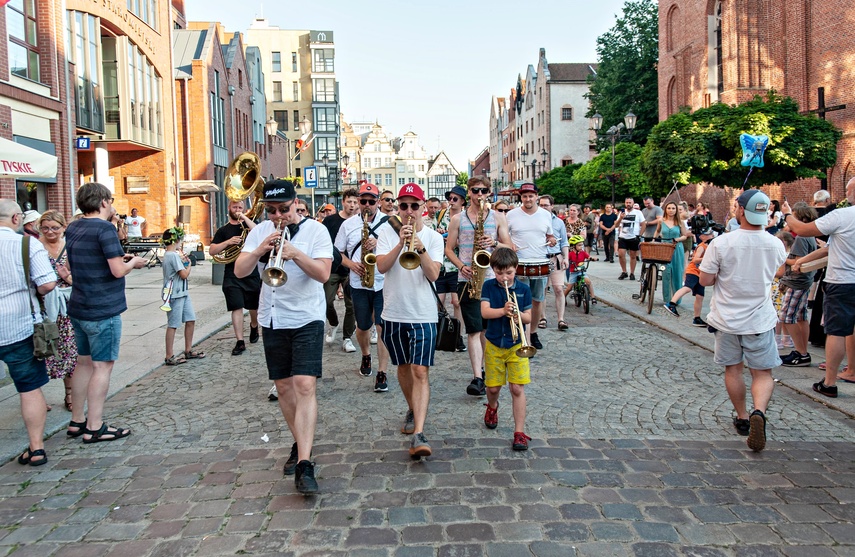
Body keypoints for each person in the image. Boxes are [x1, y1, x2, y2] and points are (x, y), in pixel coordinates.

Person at [235, 178, 332, 494]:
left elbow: (323, 274)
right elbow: (239, 270)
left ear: (295, 204)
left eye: (284, 209)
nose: (278, 216)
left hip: (307, 316)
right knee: (283, 386)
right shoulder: (260, 231)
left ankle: (305, 463)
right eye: (272, 210)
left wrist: (295, 253)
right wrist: (261, 249)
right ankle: (300, 441)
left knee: (304, 383)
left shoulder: (316, 231)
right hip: (273, 317)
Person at [699, 189, 787, 452]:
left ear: (740, 211)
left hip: (727, 319)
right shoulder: (775, 243)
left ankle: (742, 417)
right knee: (762, 372)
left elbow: (704, 280)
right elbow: (779, 272)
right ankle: (759, 411)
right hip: (759, 319)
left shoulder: (722, 243)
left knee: (733, 369)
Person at [65, 183, 147, 443]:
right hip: (102, 308)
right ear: (101, 202)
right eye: (110, 201)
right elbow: (117, 271)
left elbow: (74, 263)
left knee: (83, 363)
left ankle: (77, 421)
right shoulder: (104, 228)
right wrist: (133, 262)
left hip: (79, 304)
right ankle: (95, 426)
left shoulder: (74, 226)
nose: (112, 205)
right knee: (102, 366)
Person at [375, 183, 443, 457]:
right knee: (402, 367)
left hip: (423, 314)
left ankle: (419, 433)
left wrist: (420, 246)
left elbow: (434, 275)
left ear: (423, 208)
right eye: (403, 206)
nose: (409, 211)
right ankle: (413, 409)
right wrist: (401, 244)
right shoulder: (385, 233)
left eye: (414, 206)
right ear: (397, 208)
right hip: (394, 312)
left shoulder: (434, 237)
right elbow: (380, 266)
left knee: (420, 371)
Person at [783, 180, 855, 397]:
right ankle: (851, 370)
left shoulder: (843, 215)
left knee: (837, 332)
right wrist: (803, 260)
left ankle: (829, 382)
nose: (846, 191)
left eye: (850, 188)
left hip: (842, 281)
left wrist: (787, 214)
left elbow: (802, 230)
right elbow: (829, 249)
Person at [0, 200, 57, 466]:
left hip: (16, 325)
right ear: (15, 218)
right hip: (19, 325)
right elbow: (46, 284)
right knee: (29, 388)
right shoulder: (26, 244)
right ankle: (36, 448)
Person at [446, 177, 512, 395]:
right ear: (469, 192)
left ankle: (488, 369)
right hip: (468, 279)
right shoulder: (457, 219)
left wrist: (493, 243)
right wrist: (460, 266)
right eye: (476, 190)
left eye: (484, 190)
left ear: (489, 192)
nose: (480, 194)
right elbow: (448, 249)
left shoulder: (498, 217)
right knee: (474, 329)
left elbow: (510, 247)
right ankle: (477, 376)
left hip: (493, 279)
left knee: (488, 328)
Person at [335, 183, 392, 391]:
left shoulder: (389, 224)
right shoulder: (348, 225)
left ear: (378, 202)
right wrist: (351, 264)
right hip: (359, 283)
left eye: (371, 201)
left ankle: (382, 372)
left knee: (382, 327)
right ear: (359, 201)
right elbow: (337, 253)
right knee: (363, 327)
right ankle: (366, 355)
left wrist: (378, 243)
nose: (367, 205)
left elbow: (398, 248)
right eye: (363, 201)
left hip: (383, 282)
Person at [480, 247, 534, 451]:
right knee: (493, 388)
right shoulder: (488, 287)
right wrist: (503, 311)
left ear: (516, 269)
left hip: (517, 345)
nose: (504, 277)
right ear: (493, 269)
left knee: (517, 388)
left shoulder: (523, 289)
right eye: (499, 272)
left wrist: (516, 313)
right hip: (494, 344)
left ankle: (519, 432)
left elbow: (529, 318)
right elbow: (484, 313)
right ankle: (492, 406)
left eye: (509, 273)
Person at [505, 183, 556, 351]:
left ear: (537, 197)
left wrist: (552, 240)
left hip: (540, 262)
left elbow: (550, 235)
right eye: (525, 196)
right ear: (521, 197)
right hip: (518, 263)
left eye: (531, 196)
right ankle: (522, 336)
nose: (528, 199)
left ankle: (532, 332)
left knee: (537, 300)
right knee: (520, 302)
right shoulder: (511, 215)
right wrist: (510, 244)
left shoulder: (545, 215)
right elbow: (504, 235)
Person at [209, 200, 261, 357]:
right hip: (232, 272)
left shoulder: (248, 225)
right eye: (234, 207)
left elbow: (259, 232)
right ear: (229, 208)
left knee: (254, 306)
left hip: (251, 271)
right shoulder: (223, 230)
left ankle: (254, 325)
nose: (237, 210)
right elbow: (212, 250)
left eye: (240, 207)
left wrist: (244, 218)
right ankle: (240, 341)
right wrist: (227, 242)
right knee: (236, 306)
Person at [37, 210, 77, 411]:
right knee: (40, 351)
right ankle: (37, 398)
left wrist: (66, 277)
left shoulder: (69, 248)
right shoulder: (35, 248)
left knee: (69, 351)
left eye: (54, 227)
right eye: (45, 228)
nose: (50, 231)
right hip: (41, 306)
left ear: (63, 228)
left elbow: (77, 280)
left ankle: (69, 394)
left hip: (66, 307)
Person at [774, 202, 818, 367]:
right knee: (801, 317)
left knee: (786, 316)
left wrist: (783, 257)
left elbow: (798, 262)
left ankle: (801, 353)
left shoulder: (801, 237)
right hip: (805, 281)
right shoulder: (810, 236)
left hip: (797, 282)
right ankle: (802, 351)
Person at [321, 188, 358, 353]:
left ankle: (347, 337)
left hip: (353, 270)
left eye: (355, 202)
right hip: (333, 268)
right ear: (343, 202)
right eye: (349, 201)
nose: (352, 205)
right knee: (327, 301)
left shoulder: (360, 222)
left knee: (351, 305)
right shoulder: (330, 221)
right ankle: (334, 323)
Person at [160, 227, 204, 365]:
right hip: (174, 294)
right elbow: (184, 274)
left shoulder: (172, 255)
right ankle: (169, 356)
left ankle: (188, 350)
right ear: (176, 240)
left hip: (183, 293)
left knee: (190, 319)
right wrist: (189, 265)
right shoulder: (172, 255)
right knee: (173, 324)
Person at [664, 227, 714, 326]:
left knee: (700, 296)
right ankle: (671, 304)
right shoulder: (702, 246)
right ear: (703, 237)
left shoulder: (709, 247)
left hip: (701, 273)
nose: (712, 236)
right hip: (693, 271)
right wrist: (707, 258)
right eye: (710, 234)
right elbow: (695, 260)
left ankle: (697, 318)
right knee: (687, 288)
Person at [438, 186, 467, 353]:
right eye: (450, 198)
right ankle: (440, 334)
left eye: (455, 199)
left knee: (457, 302)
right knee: (439, 302)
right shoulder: (441, 215)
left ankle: (458, 336)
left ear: (462, 201)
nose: (451, 201)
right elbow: (434, 235)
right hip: (442, 264)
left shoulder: (465, 218)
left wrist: (453, 241)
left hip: (457, 264)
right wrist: (439, 233)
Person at [539, 195, 569, 331]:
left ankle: (561, 319)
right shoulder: (536, 220)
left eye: (546, 205)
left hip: (556, 258)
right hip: (540, 258)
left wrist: (566, 257)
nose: (543, 207)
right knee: (542, 290)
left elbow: (564, 242)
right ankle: (542, 318)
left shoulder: (559, 222)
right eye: (541, 205)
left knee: (558, 289)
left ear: (552, 206)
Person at [655, 201, 688, 303]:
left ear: (676, 210)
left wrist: (677, 239)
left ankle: (676, 299)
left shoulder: (680, 222)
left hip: (677, 248)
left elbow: (685, 235)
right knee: (666, 273)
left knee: (677, 273)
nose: (671, 210)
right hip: (665, 248)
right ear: (665, 210)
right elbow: (657, 231)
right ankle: (667, 299)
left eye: (673, 208)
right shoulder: (661, 221)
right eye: (669, 208)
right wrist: (653, 240)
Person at [615, 197, 644, 280]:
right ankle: (624, 271)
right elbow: (616, 225)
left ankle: (632, 272)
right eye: (627, 202)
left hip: (634, 237)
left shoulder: (638, 213)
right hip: (623, 237)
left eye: (630, 202)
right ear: (625, 203)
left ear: (633, 203)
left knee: (633, 256)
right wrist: (620, 218)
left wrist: (640, 235)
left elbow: (643, 224)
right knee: (621, 255)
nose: (628, 204)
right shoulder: (622, 213)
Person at [563, 235, 598, 303]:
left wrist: (592, 259)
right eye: (579, 245)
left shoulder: (583, 253)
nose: (581, 247)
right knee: (569, 288)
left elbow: (588, 257)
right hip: (574, 272)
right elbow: (566, 259)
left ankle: (593, 297)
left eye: (582, 245)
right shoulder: (570, 254)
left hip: (582, 271)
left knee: (588, 282)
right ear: (573, 246)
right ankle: (562, 298)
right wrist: (566, 261)